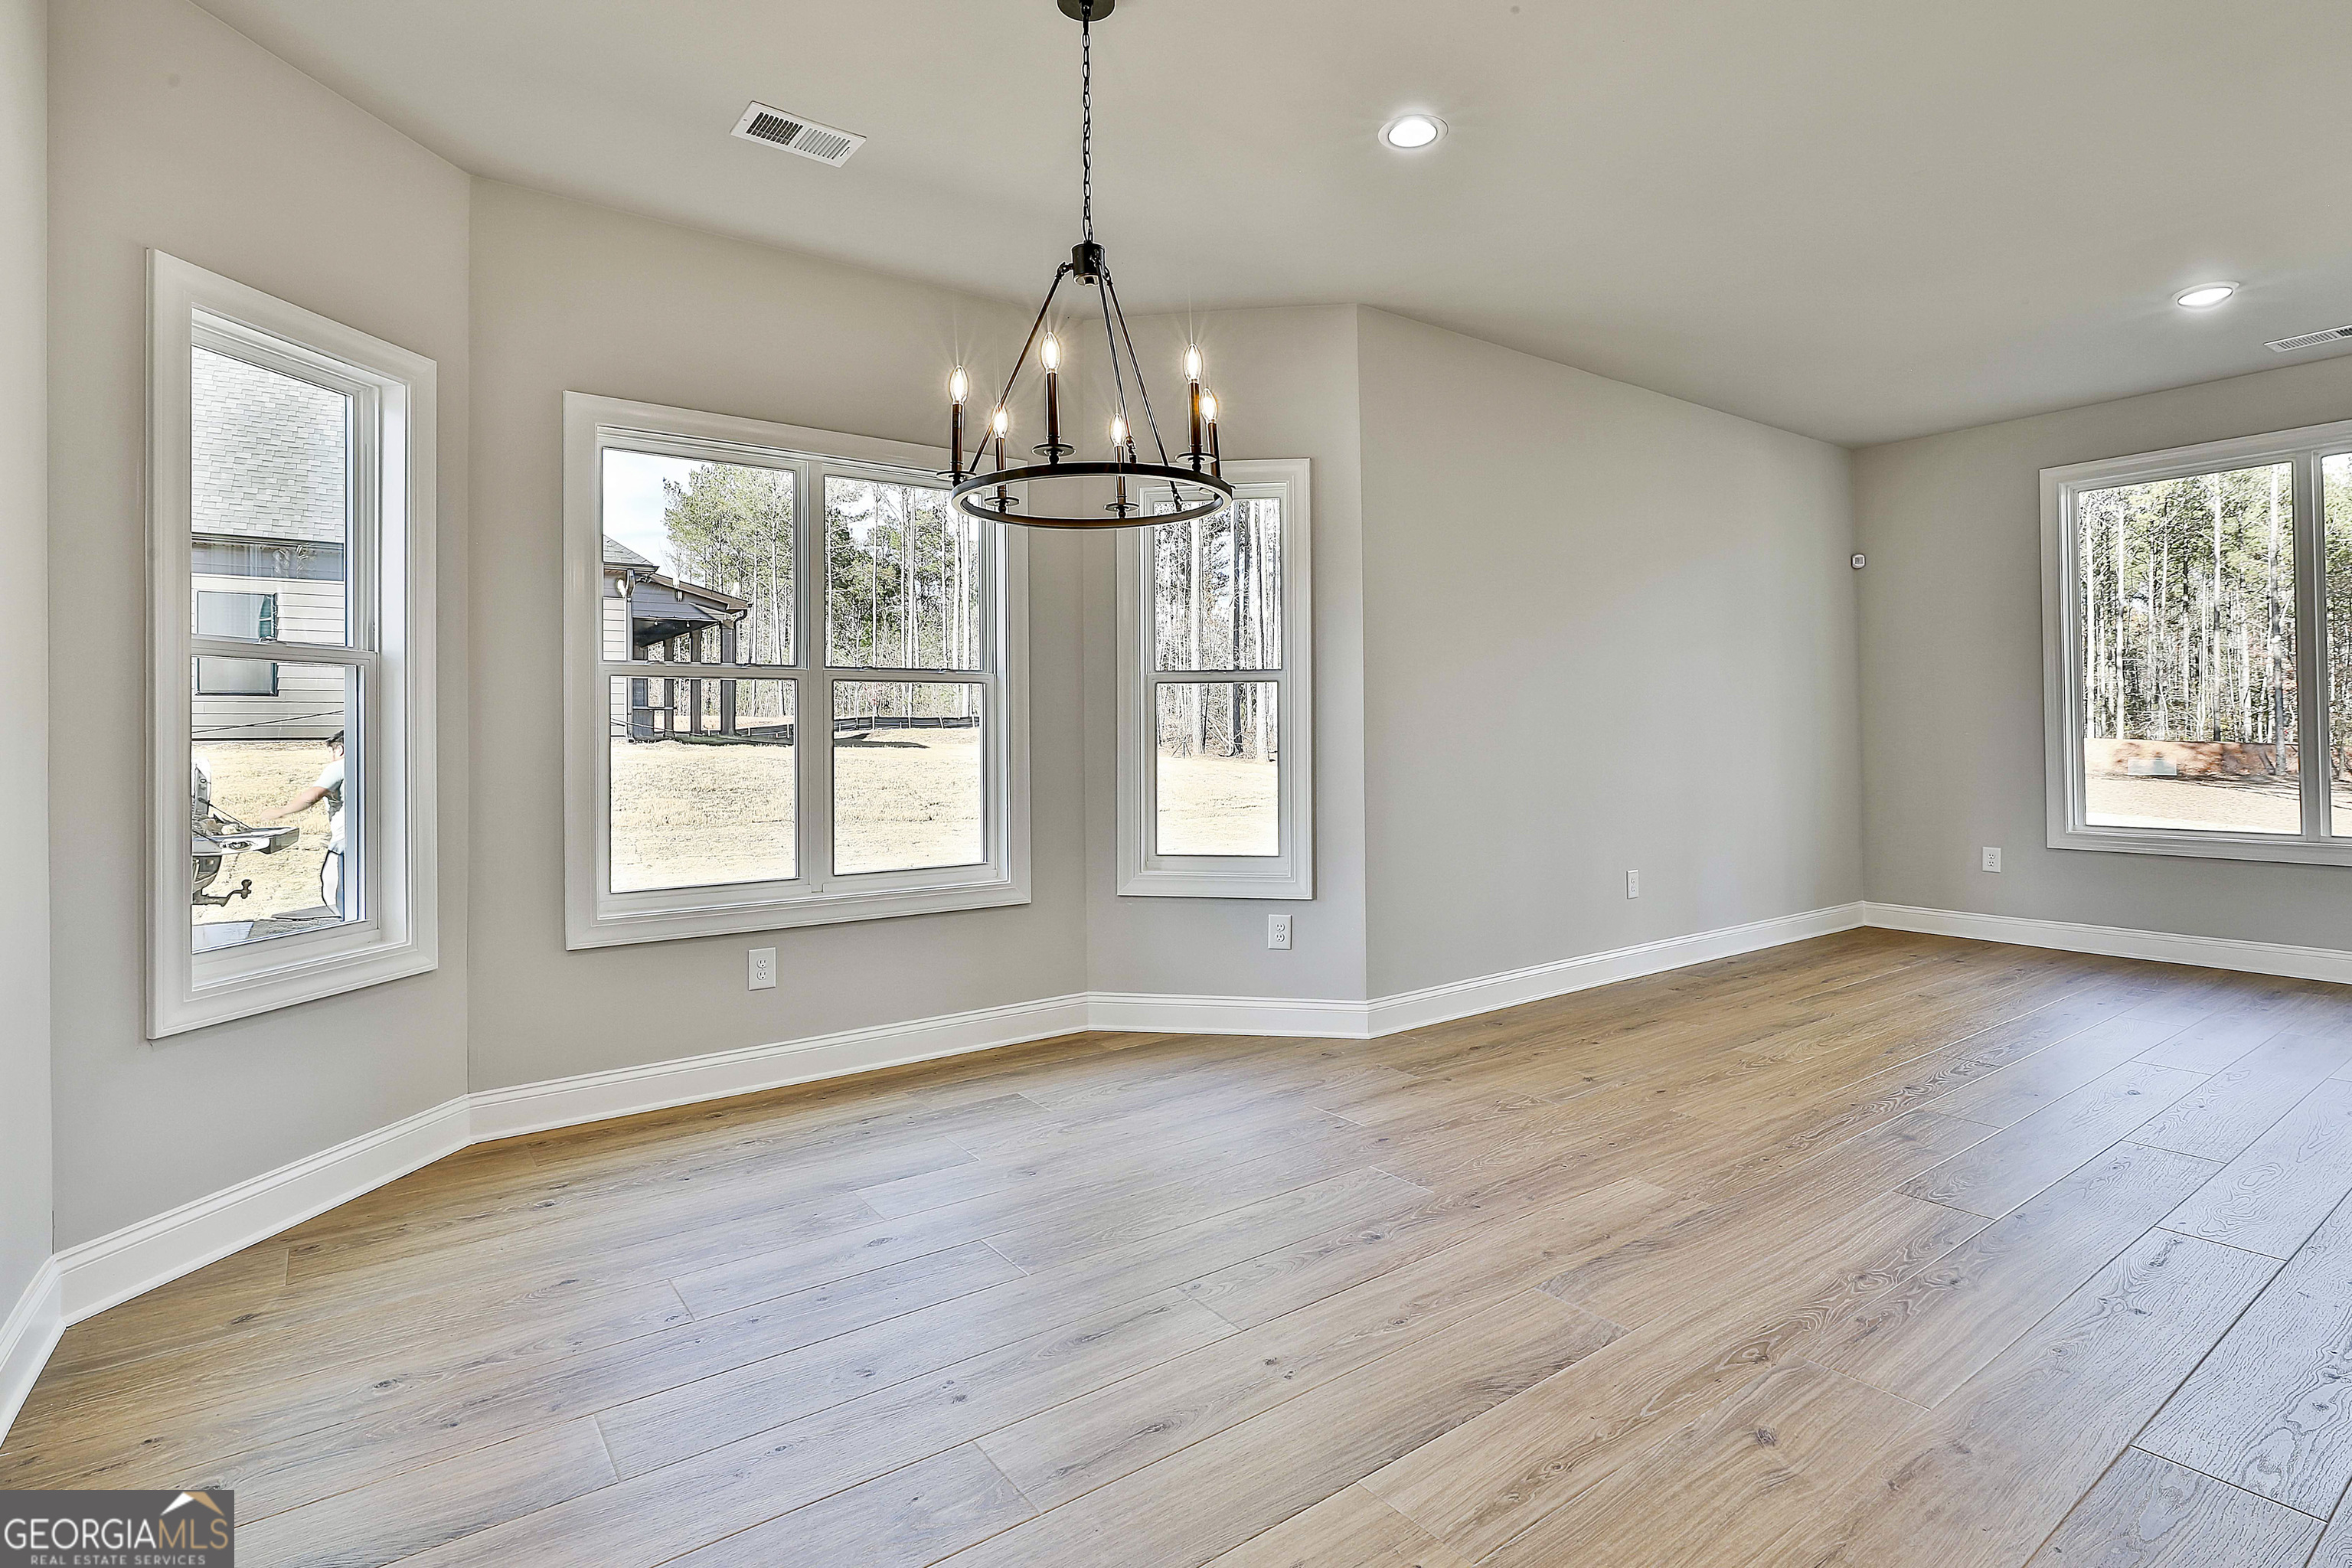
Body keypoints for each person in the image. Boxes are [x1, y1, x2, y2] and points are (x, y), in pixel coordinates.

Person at [267, 731, 347, 916]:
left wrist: (281, 811)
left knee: (333, 889)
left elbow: (313, 795)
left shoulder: (340, 766)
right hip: (376, 839)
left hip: (345, 843)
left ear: (340, 749)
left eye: (332, 752)